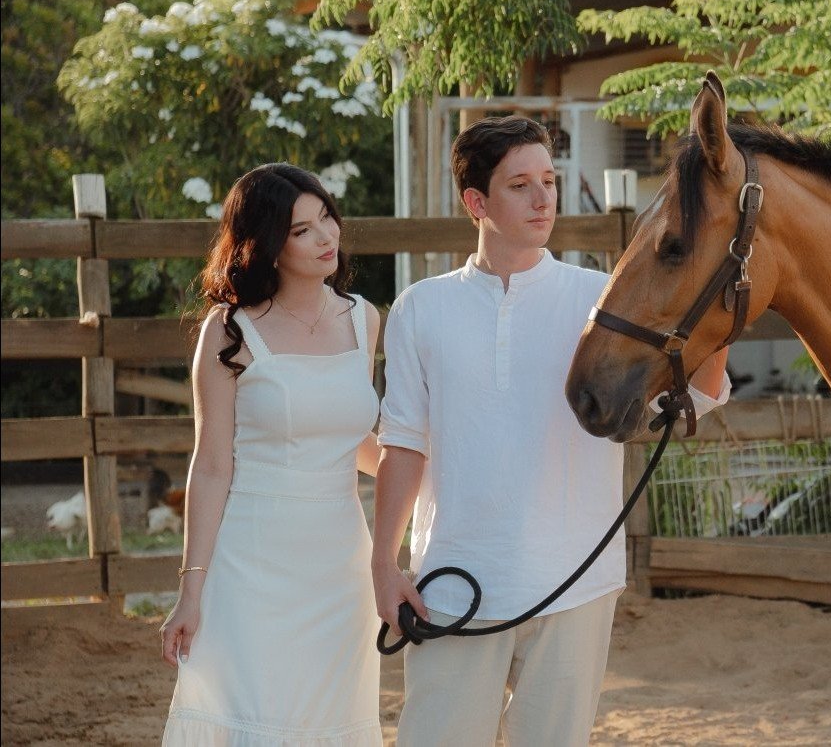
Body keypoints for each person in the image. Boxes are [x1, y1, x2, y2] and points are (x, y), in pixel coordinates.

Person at [374, 116, 730, 746]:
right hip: (453, 582)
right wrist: (384, 563)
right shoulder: (420, 308)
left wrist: (719, 308)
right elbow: (403, 444)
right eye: (520, 185)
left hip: (576, 583)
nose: (543, 198)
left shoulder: (604, 302)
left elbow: (693, 398)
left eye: (549, 180)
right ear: (476, 203)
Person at [159, 163, 384, 745]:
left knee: (329, 718)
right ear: (267, 245)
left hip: (340, 565)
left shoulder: (364, 318)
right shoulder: (229, 330)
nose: (326, 236)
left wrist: (423, 473)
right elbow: (212, 466)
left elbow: (349, 437)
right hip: (252, 562)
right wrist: (190, 591)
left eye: (327, 218)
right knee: (250, 718)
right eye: (302, 230)